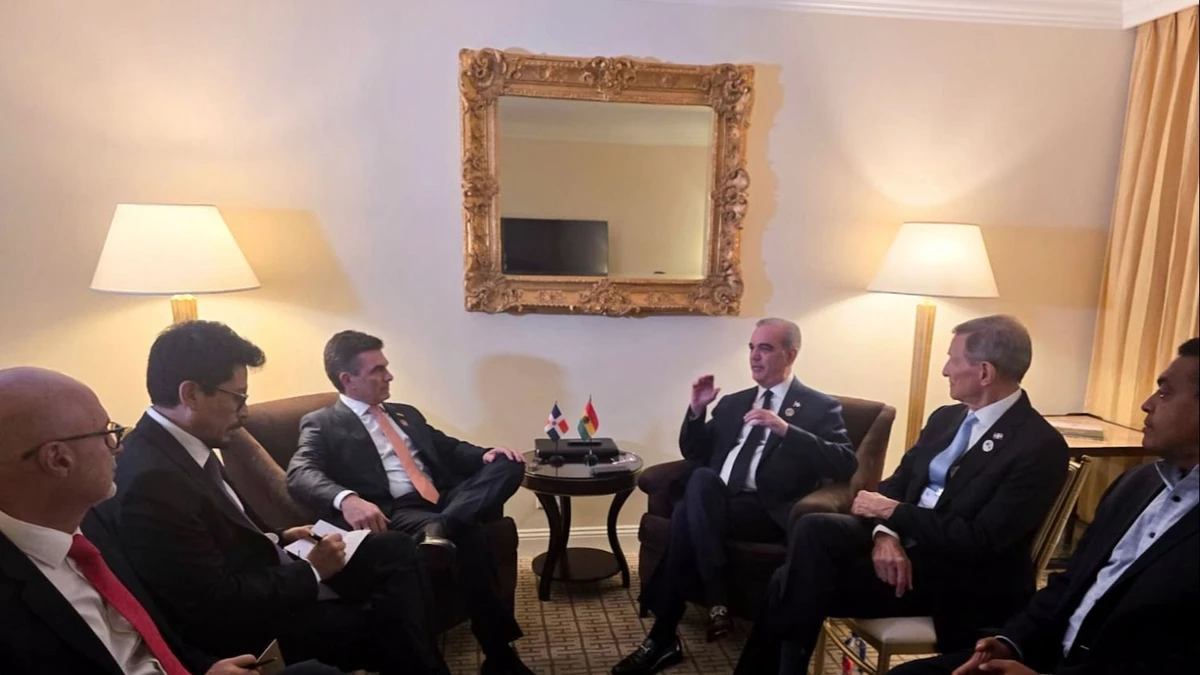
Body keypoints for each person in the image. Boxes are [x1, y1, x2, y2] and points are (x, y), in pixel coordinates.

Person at [98, 322, 450, 675]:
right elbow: (211, 603)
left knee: (394, 549)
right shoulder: (153, 480)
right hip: (244, 624)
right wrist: (311, 570)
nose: (244, 412)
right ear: (190, 394)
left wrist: (282, 535)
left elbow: (228, 528)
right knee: (386, 618)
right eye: (238, 397)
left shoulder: (183, 444)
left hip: (267, 569)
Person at [735, 314, 1070, 675]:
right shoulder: (946, 418)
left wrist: (894, 514)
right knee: (813, 528)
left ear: (985, 372)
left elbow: (980, 540)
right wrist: (886, 535)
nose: (945, 370)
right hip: (906, 542)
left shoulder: (1038, 446)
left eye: (953, 359)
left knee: (791, 581)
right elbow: (896, 485)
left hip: (956, 574)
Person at [0, 366, 341, 675]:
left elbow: (149, 626)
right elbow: (206, 602)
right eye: (106, 434)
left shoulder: (88, 521)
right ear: (58, 460)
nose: (117, 447)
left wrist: (204, 668)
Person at [891, 337, 1199, 675]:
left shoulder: (1036, 445)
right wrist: (1011, 640)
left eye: (1165, 393)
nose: (1147, 404)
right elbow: (1069, 582)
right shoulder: (1137, 484)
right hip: (1044, 653)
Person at [613, 318, 857, 675]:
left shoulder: (819, 406)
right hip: (716, 500)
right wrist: (697, 411)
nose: (754, 356)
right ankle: (710, 605)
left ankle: (668, 634)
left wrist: (786, 430)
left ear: (791, 354)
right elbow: (695, 451)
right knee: (700, 482)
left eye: (765, 348)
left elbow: (845, 462)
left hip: (764, 509)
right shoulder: (734, 403)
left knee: (686, 513)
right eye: (752, 347)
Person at [286, 329, 533, 675]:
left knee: (510, 463)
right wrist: (347, 499)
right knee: (471, 536)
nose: (389, 376)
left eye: (386, 367)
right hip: (396, 511)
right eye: (378, 370)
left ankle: (441, 528)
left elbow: (449, 448)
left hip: (444, 499)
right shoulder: (323, 423)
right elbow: (300, 472)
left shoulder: (405, 414)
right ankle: (499, 655)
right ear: (348, 380)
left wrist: (485, 455)